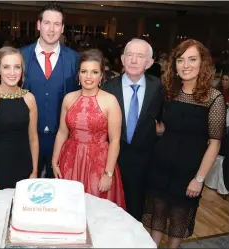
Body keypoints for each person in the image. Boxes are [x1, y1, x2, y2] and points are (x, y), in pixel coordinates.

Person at [142, 39, 226, 248]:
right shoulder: (170, 91)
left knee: (177, 224)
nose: (185, 65)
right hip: (160, 166)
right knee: (157, 219)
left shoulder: (213, 99)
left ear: (202, 63)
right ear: (175, 64)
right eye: (180, 60)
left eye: (192, 59)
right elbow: (164, 127)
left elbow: (214, 144)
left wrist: (199, 179)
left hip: (188, 174)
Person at [52, 49, 126, 209]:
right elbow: (62, 132)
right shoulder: (69, 98)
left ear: (101, 76)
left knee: (95, 211)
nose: (88, 76)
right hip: (70, 161)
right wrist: (54, 161)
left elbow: (114, 141)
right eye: (84, 71)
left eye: (94, 72)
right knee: (68, 209)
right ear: (78, 74)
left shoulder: (110, 101)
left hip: (98, 164)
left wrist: (108, 173)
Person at [102, 38, 163, 221]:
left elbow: (162, 117)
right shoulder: (109, 87)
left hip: (144, 160)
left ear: (150, 62)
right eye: (129, 55)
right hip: (113, 158)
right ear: (122, 59)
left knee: (136, 211)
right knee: (110, 209)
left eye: (140, 56)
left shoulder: (157, 87)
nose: (134, 60)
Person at [21, 3, 79, 178]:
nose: (51, 29)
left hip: (62, 138)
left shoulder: (75, 60)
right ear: (38, 25)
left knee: (58, 190)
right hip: (26, 137)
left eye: (56, 24)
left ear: (62, 28)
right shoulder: (20, 57)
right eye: (47, 23)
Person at [0, 47, 39, 189]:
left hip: (25, 168)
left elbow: (33, 139)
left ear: (22, 70)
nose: (12, 73)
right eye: (6, 67)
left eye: (17, 67)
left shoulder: (29, 98)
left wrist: (34, 171)